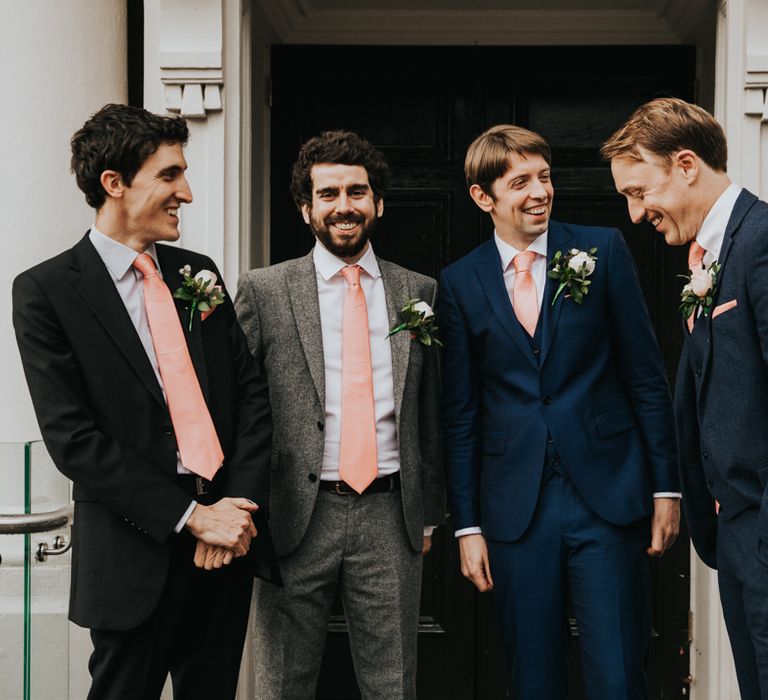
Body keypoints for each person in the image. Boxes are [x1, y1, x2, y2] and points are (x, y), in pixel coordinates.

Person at [12, 103, 278, 699]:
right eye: (169, 174)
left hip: (226, 547)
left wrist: (235, 508)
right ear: (114, 183)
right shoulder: (46, 292)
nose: (186, 191)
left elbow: (249, 396)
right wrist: (191, 518)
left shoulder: (198, 273)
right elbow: (73, 439)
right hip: (134, 558)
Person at [440, 124, 680, 698]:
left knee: (619, 675)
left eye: (544, 177)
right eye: (519, 181)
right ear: (483, 197)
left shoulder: (601, 250)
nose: (539, 192)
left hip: (608, 496)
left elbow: (646, 376)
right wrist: (467, 524)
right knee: (534, 678)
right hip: (515, 510)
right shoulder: (459, 281)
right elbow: (461, 413)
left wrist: (666, 488)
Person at [235, 129, 445, 699]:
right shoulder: (264, 291)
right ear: (306, 209)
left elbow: (429, 407)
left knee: (392, 681)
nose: (344, 206)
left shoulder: (417, 291)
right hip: (292, 515)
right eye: (328, 194)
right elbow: (239, 405)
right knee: (283, 680)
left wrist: (427, 511)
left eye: (357, 191)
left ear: (378, 203)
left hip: (390, 511)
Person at [603, 96, 768, 700]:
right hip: (736, 538)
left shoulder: (763, 243)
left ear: (687, 165)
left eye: (639, 190)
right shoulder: (714, 254)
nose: (635, 212)